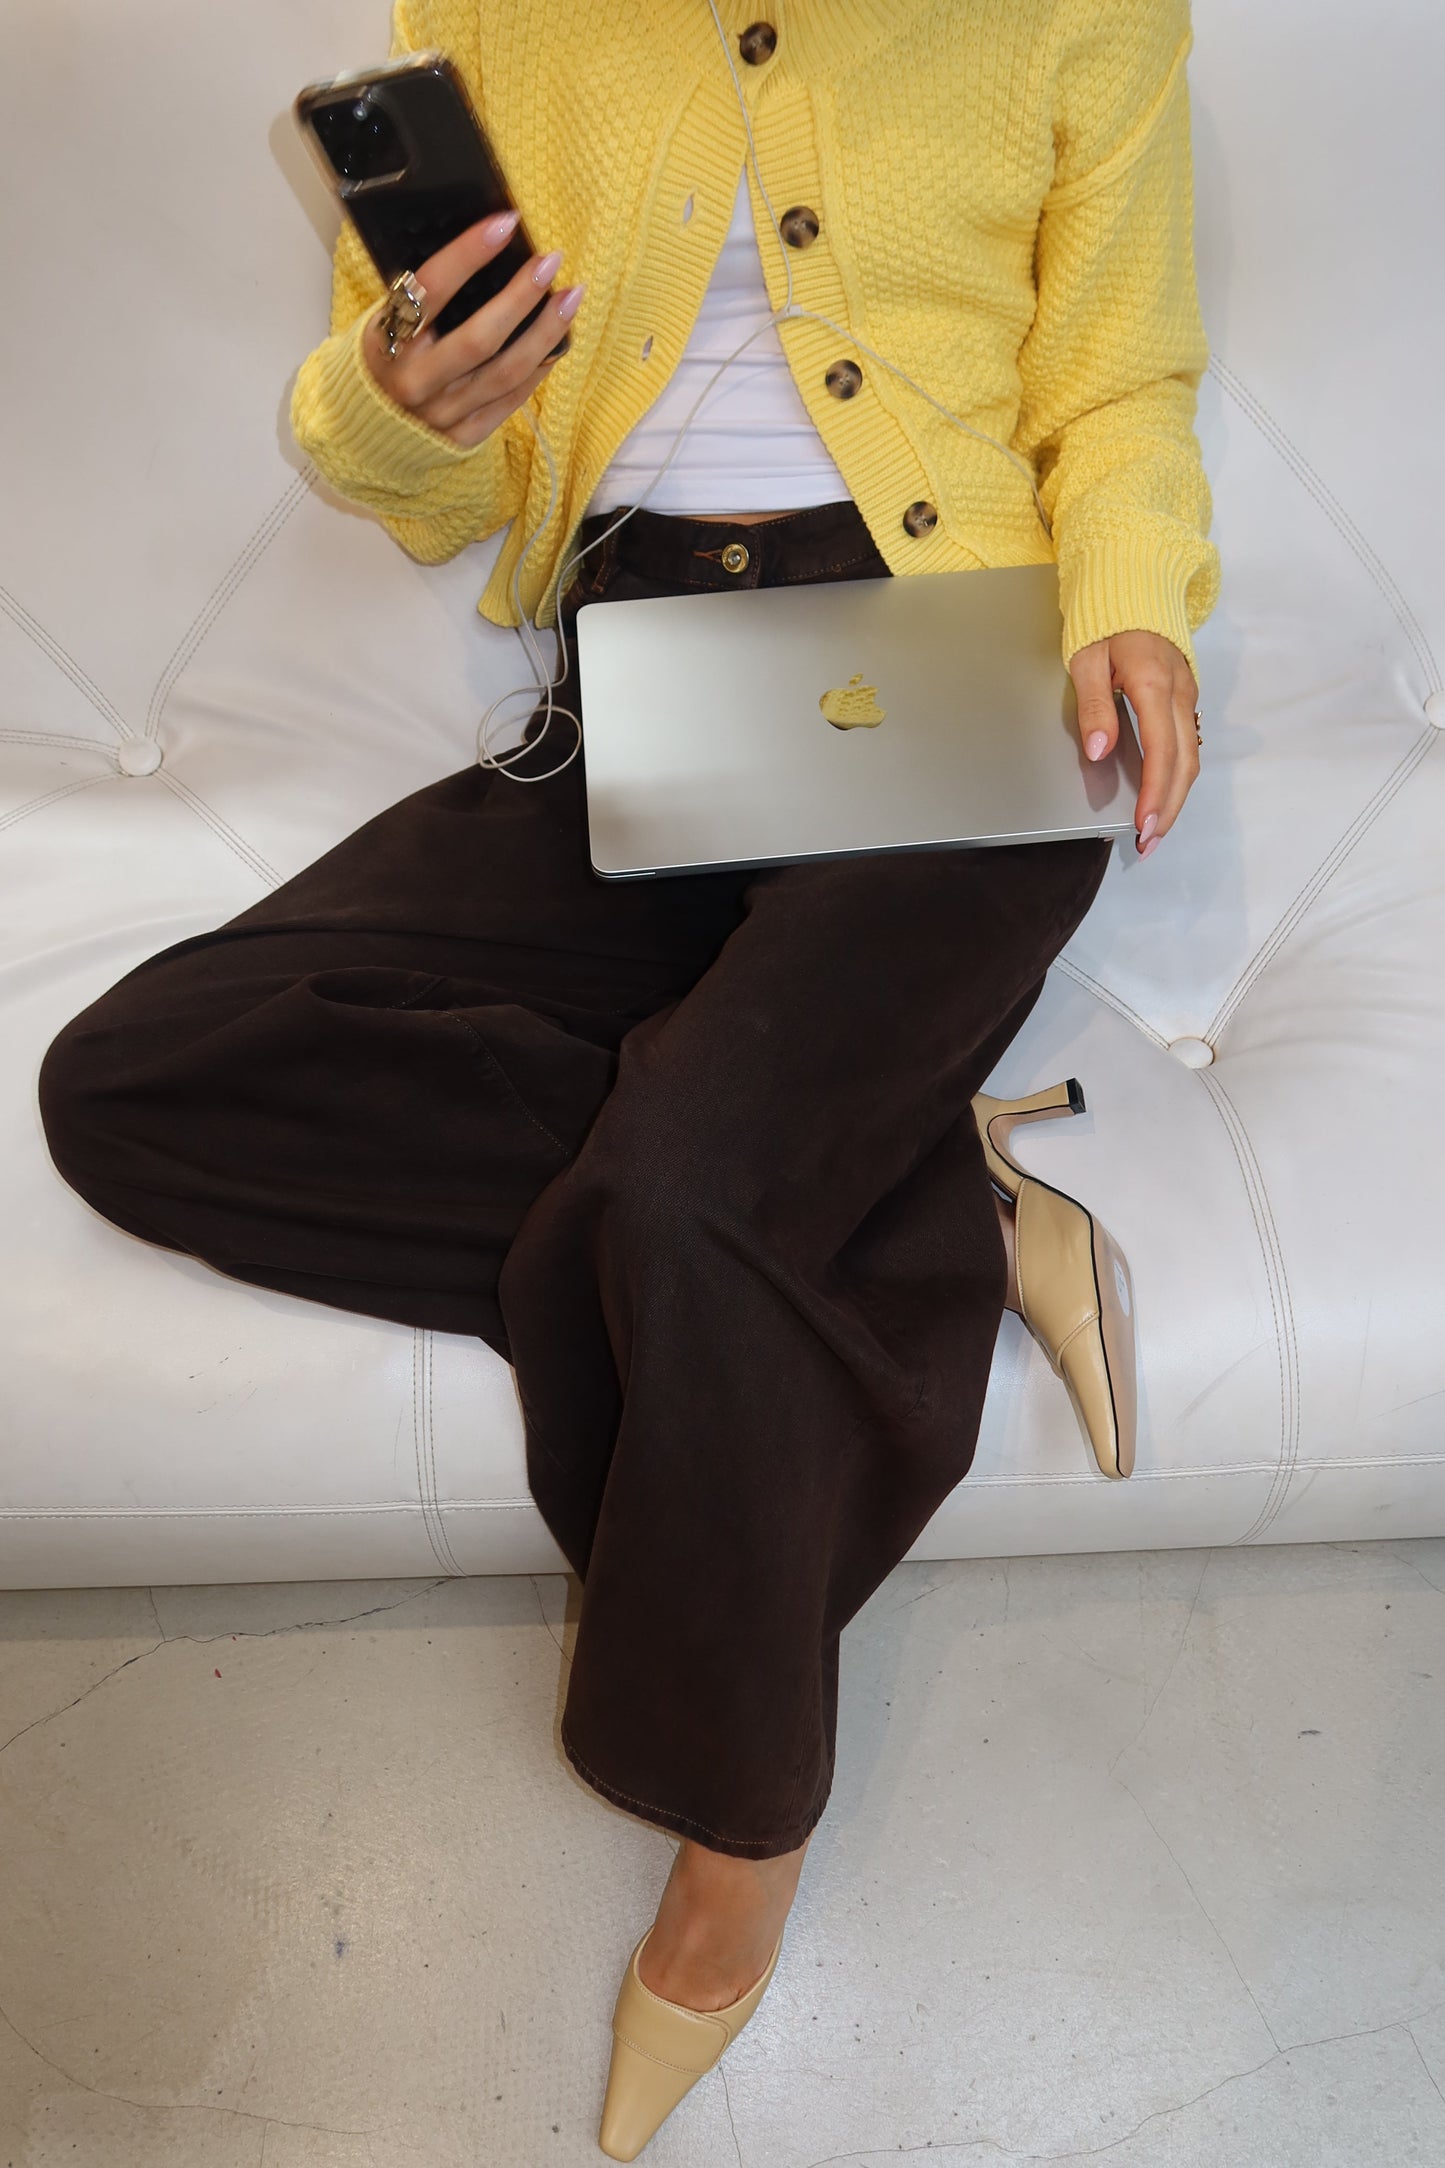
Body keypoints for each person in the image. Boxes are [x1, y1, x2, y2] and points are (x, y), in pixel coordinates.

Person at [37, 0, 1219, 2155]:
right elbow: (420, 468)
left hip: (960, 682)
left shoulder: (1083, 12)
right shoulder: (490, 7)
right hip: (648, 695)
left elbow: (1119, 374)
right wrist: (395, 401)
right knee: (135, 1081)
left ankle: (738, 1813)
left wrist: (1133, 596)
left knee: (687, 1190)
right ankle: (925, 1193)